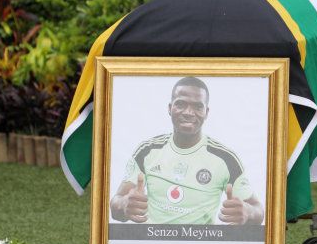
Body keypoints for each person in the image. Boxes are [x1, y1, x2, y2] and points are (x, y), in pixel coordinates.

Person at [110, 77, 264, 225]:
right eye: (181, 104)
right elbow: (116, 204)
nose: (188, 112)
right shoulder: (146, 151)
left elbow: (258, 211)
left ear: (207, 112)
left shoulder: (226, 159)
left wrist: (247, 211)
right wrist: (124, 204)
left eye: (198, 106)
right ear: (170, 108)